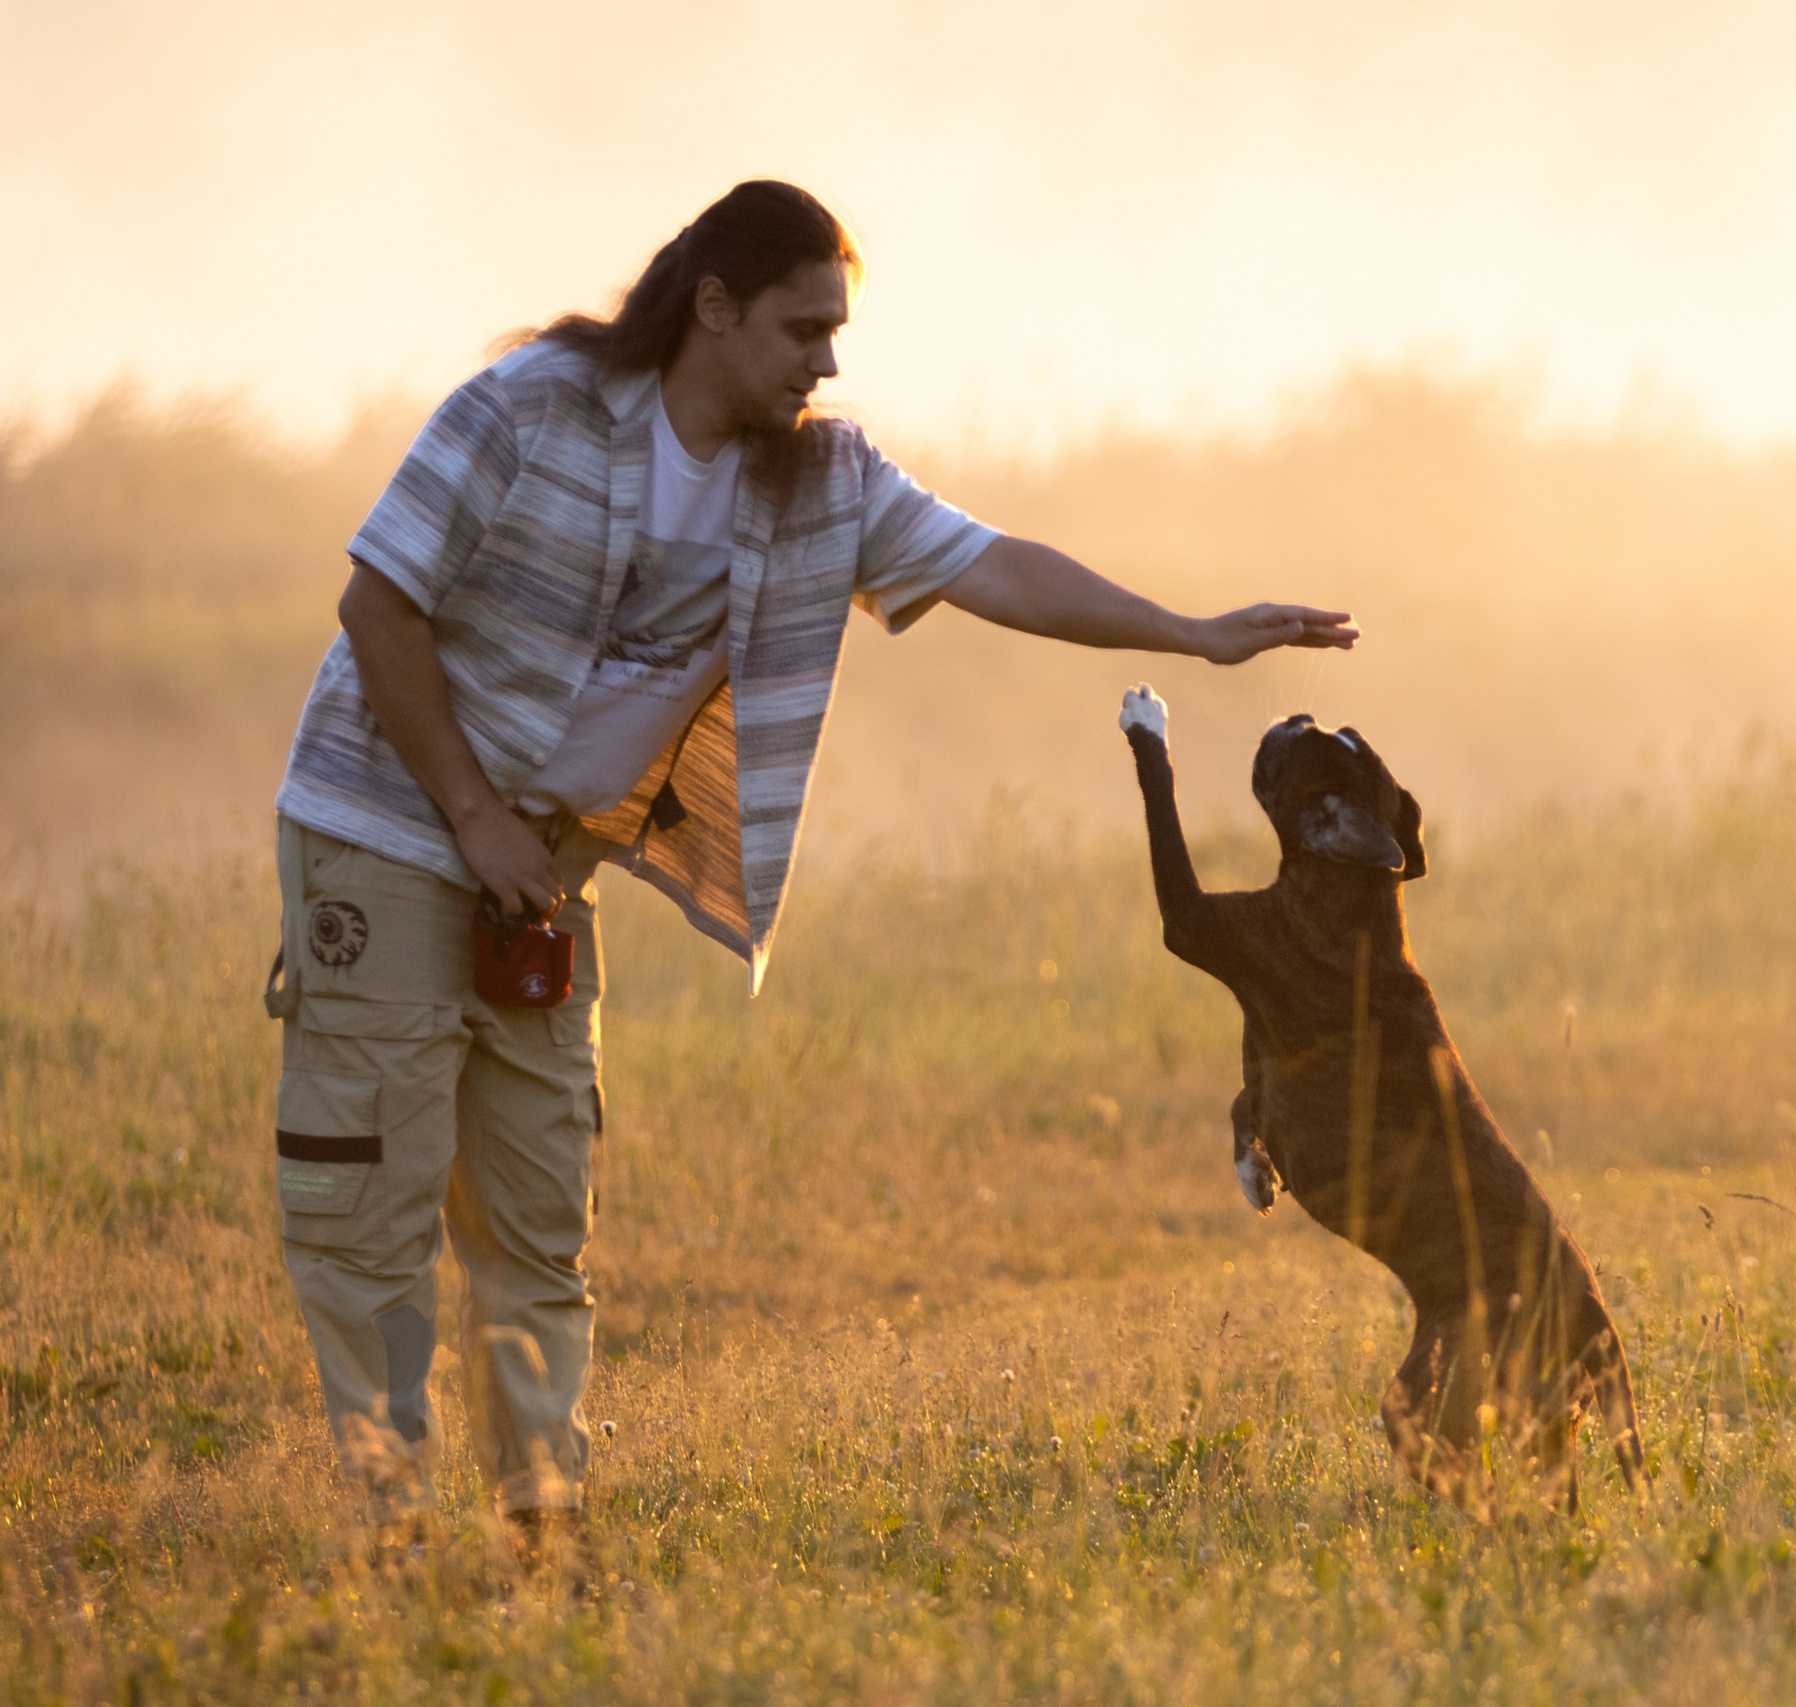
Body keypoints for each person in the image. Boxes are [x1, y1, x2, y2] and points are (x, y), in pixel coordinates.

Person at [263, 179, 1355, 1534]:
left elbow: (994, 567)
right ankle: (388, 1526)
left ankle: (534, 1529)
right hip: (384, 823)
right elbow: (378, 600)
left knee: (539, 1210)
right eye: (802, 328)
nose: (827, 361)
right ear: (712, 306)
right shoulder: (529, 406)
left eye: (836, 332)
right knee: (372, 1197)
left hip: (538, 872)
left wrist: (1189, 633)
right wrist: (473, 819)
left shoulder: (820, 476)